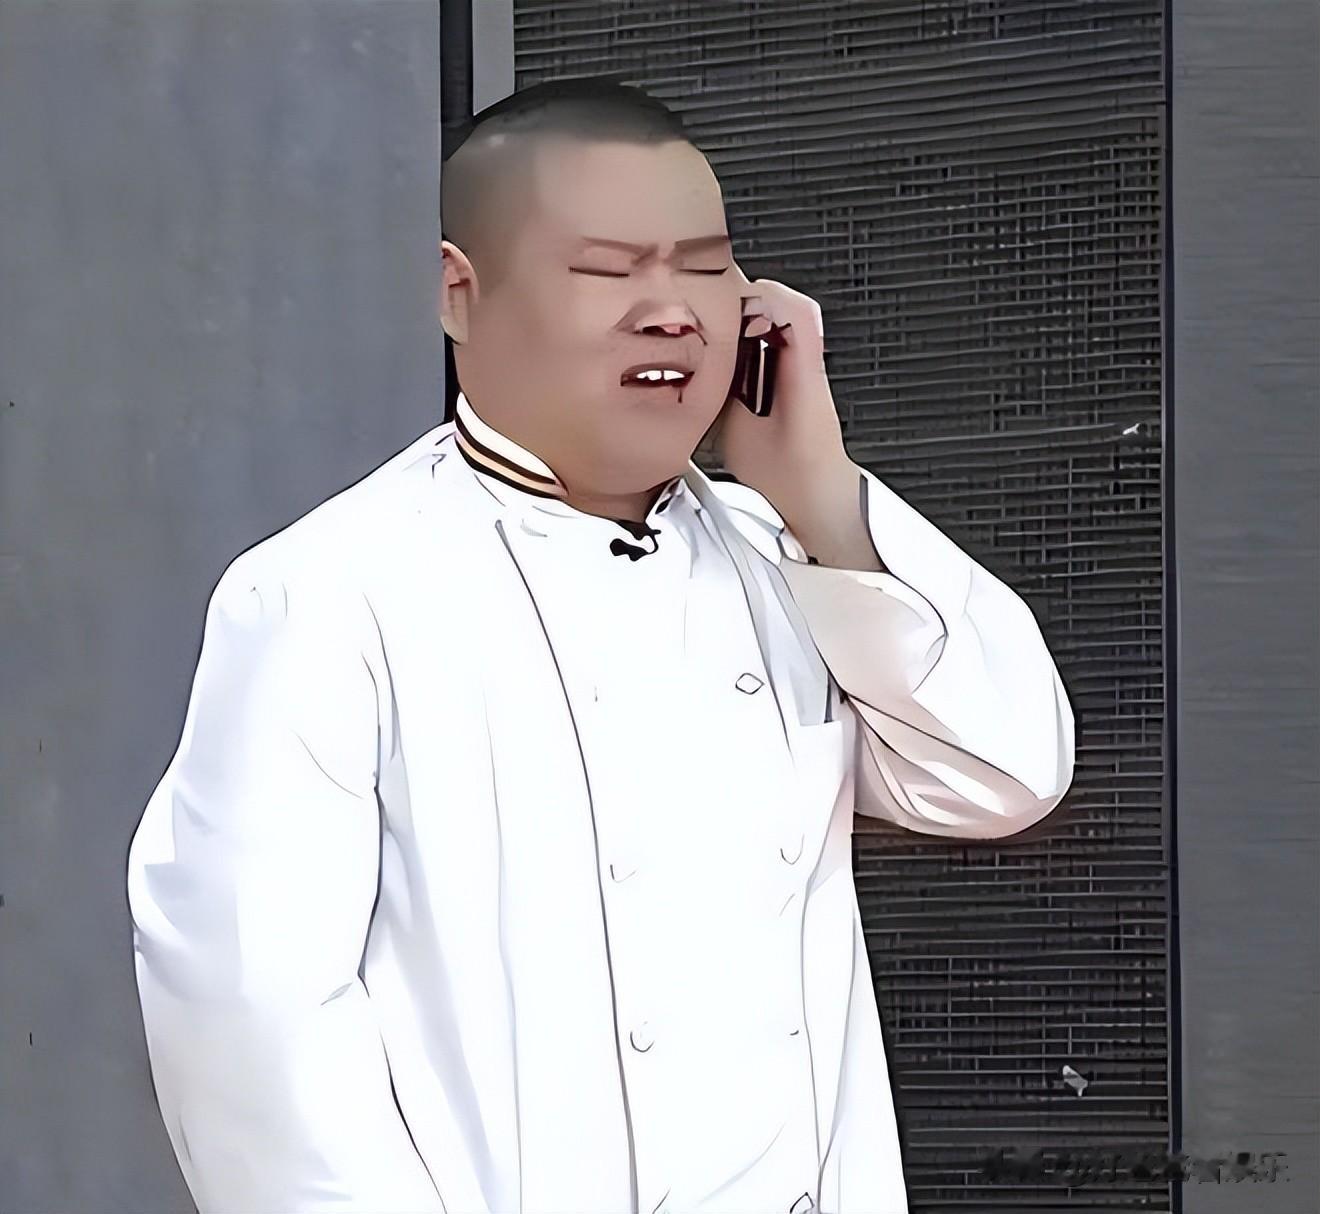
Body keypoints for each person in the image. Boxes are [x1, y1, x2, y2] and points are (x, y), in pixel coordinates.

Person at [126, 77, 1075, 1214]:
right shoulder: (331, 591)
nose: (671, 312)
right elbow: (249, 1017)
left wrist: (820, 488)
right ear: (460, 294)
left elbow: (1001, 774)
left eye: (704, 267)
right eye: (608, 270)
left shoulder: (790, 556)